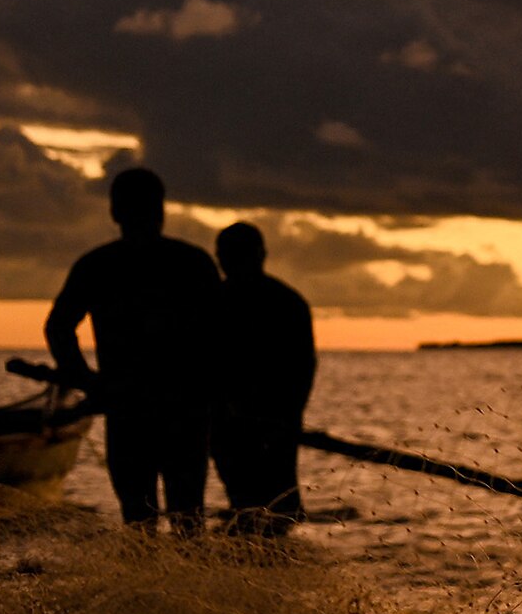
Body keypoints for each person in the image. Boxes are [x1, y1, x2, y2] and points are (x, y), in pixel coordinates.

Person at [44, 167, 226, 529]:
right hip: (183, 412)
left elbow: (58, 327)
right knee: (188, 519)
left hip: (129, 411)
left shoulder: (98, 265)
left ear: (114, 212)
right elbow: (223, 336)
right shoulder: (193, 263)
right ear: (161, 210)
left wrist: (88, 381)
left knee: (138, 521)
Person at [209, 221, 318, 532]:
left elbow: (301, 368)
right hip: (234, 422)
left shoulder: (285, 303)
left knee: (268, 505)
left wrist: (285, 418)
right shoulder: (218, 301)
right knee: (253, 503)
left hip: (272, 421)